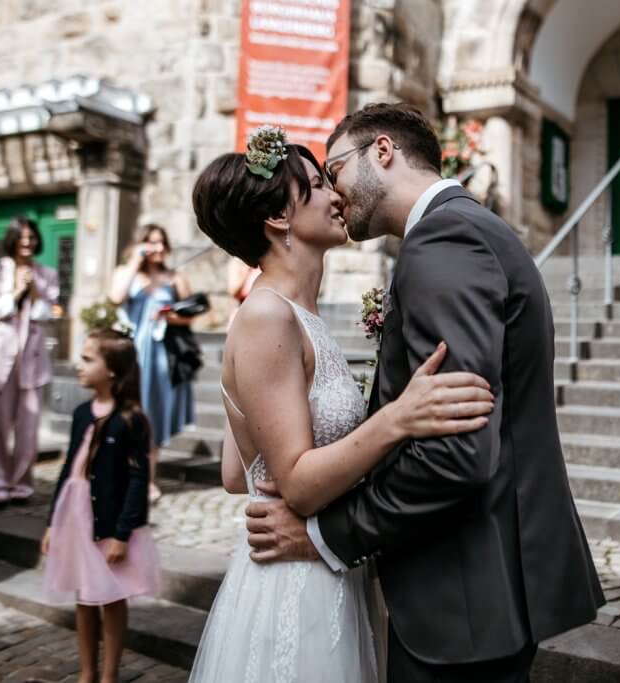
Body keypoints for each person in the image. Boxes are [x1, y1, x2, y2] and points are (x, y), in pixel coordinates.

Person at [245, 103, 604, 682]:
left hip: (461, 591)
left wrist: (325, 536)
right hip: (480, 584)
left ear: (381, 151)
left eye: (334, 172)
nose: (335, 195)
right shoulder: (469, 230)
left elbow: (453, 453)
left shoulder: (444, 241)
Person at [186, 127, 495, 682]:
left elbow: (239, 473)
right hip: (294, 583)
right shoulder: (265, 317)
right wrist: (397, 418)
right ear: (280, 217)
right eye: (317, 184)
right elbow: (298, 483)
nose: (336, 195)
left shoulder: (294, 316)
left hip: (322, 566)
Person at [41, 327, 161, 683]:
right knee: (83, 592)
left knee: (110, 596)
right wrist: (52, 523)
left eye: (88, 359)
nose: (79, 365)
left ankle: (109, 674)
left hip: (107, 520)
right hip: (75, 515)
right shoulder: (81, 413)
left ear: (111, 369)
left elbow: (139, 480)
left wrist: (123, 533)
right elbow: (68, 468)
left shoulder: (131, 420)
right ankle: (86, 671)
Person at [108, 224, 195, 503]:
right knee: (125, 415)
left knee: (151, 419)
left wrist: (168, 316)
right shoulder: (126, 272)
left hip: (160, 355)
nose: (156, 249)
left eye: (161, 243)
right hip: (130, 353)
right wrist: (136, 260)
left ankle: (146, 480)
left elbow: (193, 312)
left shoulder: (174, 276)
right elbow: (116, 297)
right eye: (150, 243)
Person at [0, 216, 59, 506]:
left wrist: (33, 288)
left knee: (28, 429)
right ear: (12, 239)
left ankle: (21, 485)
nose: (27, 243)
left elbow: (45, 314)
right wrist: (15, 290)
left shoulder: (47, 273)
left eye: (32, 238)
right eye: (22, 237)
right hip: (0, 359)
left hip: (33, 361)